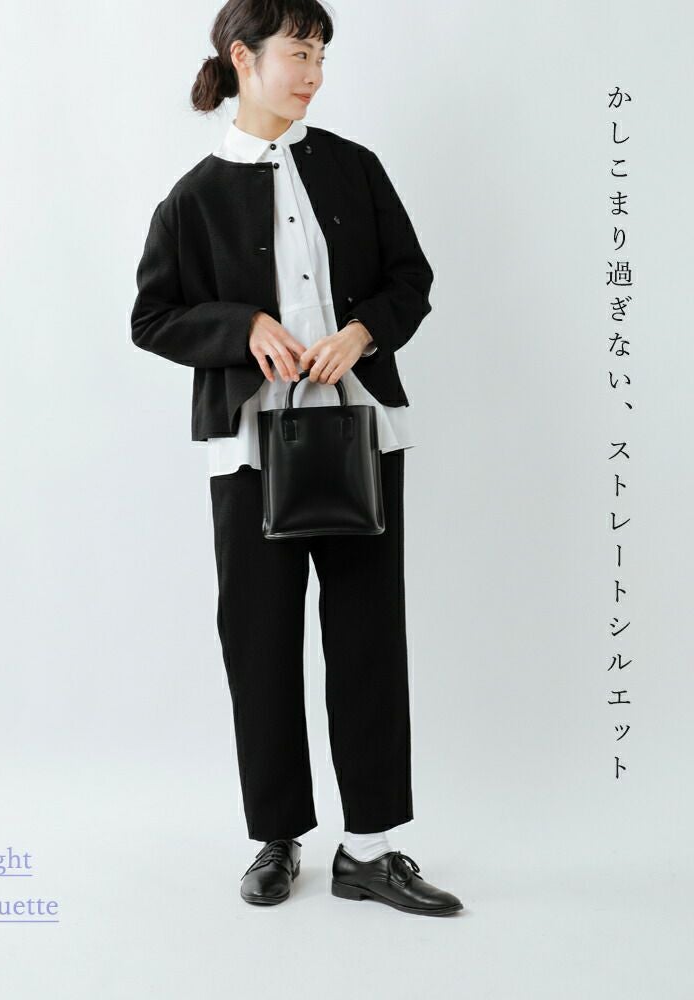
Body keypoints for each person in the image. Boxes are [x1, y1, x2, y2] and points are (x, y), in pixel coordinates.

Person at [130, 0, 463, 917]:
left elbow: (411, 279)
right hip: (250, 452)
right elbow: (151, 317)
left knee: (367, 639)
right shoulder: (193, 197)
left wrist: (361, 333)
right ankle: (276, 838)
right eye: (298, 53)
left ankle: (371, 850)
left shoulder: (354, 167)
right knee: (260, 643)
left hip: (360, 438)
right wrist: (243, 328)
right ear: (243, 58)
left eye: (321, 55)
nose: (314, 72)